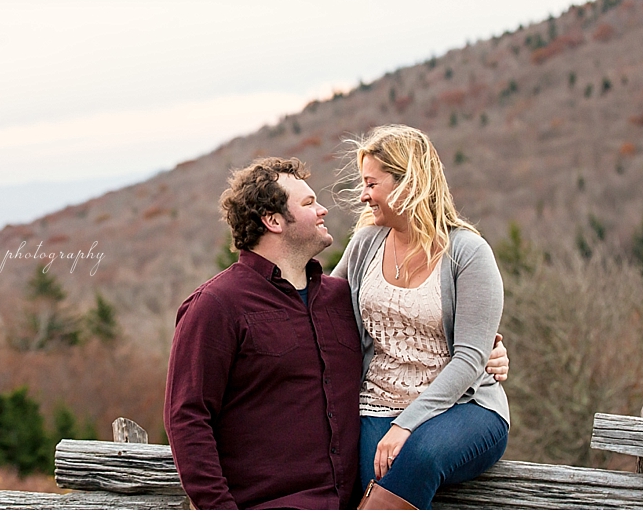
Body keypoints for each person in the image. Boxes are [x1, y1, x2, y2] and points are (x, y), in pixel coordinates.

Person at [164, 156, 509, 509]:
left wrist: (486, 350)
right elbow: (188, 417)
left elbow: (404, 327)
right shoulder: (217, 306)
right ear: (273, 221)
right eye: (309, 203)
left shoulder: (340, 299)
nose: (324, 210)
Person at [332, 125, 510, 509]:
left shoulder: (468, 253)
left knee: (418, 457)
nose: (363, 196)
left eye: (371, 183)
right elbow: (324, 313)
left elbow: (469, 358)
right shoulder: (365, 244)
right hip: (375, 405)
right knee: (365, 479)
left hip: (462, 408)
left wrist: (406, 424)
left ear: (408, 183)